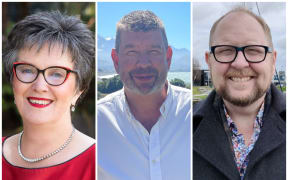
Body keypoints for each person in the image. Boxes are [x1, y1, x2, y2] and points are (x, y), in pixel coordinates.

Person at [193, 7, 285, 180]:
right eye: (226, 50)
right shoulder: (180, 127)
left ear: (273, 62)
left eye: (254, 50)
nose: (240, 63)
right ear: (209, 61)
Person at [98, 10, 191, 180]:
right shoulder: (98, 122)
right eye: (132, 53)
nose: (143, 63)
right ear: (116, 60)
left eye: (153, 52)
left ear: (168, 58)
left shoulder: (196, 113)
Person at [2, 11, 95, 180]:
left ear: (79, 90)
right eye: (27, 70)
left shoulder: (99, 163)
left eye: (57, 74)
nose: (39, 86)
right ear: (13, 79)